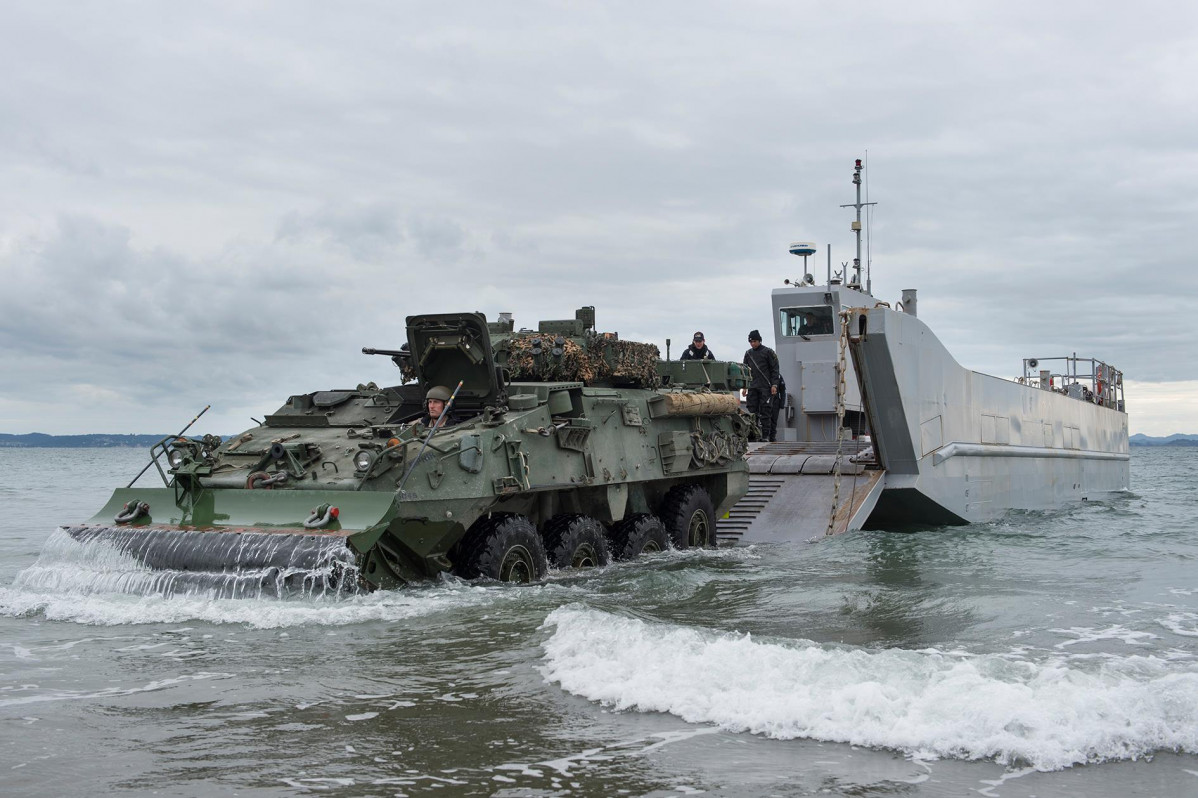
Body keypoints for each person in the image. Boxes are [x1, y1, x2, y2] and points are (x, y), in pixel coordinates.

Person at [743, 330, 780, 442]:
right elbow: (745, 371)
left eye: (754, 341)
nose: (752, 344)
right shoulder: (748, 353)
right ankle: (753, 434)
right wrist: (744, 387)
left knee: (765, 411)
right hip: (752, 386)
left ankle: (765, 435)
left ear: (759, 340)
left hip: (766, 386)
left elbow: (775, 369)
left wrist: (774, 384)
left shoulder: (768, 352)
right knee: (752, 412)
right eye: (751, 342)